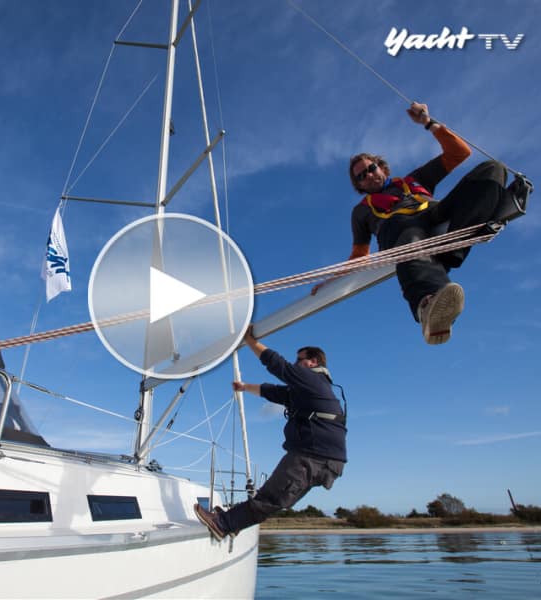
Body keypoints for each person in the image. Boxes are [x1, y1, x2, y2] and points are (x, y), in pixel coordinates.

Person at [313, 102, 514, 345]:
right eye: (361, 176)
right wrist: (331, 281)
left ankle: (451, 250)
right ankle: (428, 305)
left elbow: (459, 153)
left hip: (435, 215)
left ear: (382, 168)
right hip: (399, 231)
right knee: (408, 237)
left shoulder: (415, 179)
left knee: (493, 170)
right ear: (360, 186)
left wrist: (428, 123)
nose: (368, 175)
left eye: (371, 168)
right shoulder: (361, 212)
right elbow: (359, 256)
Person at [193, 327, 346, 541]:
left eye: (299, 359)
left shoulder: (311, 380)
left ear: (312, 362)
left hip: (314, 456)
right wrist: (244, 387)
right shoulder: (309, 390)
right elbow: (273, 392)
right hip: (324, 458)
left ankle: (223, 524)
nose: (295, 363)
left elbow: (278, 366)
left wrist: (250, 341)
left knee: (272, 497)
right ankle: (232, 520)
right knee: (277, 496)